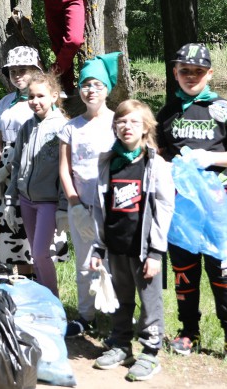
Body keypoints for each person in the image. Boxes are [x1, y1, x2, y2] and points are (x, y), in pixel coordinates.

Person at [156, 43, 227, 369]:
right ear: (175, 73)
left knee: (222, 270)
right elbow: (158, 156)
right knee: (185, 271)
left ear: (209, 73)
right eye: (184, 70)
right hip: (181, 203)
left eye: (198, 71)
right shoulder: (168, 112)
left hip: (215, 201)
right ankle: (189, 332)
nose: (191, 76)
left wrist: (210, 157)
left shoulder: (222, 108)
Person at [88, 100, 173, 381]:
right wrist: (98, 246)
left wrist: (156, 253)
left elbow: (164, 209)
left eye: (134, 122)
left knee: (150, 301)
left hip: (144, 249)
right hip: (115, 246)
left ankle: (150, 351)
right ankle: (121, 343)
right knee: (121, 298)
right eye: (122, 121)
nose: (127, 127)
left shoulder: (154, 164)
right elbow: (101, 208)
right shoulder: (107, 162)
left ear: (146, 128)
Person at [58, 51, 120, 336]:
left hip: (115, 207)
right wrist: (74, 203)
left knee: (115, 262)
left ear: (107, 88)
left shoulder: (119, 122)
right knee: (85, 262)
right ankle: (86, 314)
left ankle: (120, 317)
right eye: (85, 84)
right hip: (81, 205)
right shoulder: (71, 127)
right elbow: (65, 168)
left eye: (97, 84)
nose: (90, 89)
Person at [3, 72, 68, 297]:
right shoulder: (26, 127)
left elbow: (65, 172)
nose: (35, 101)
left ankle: (53, 300)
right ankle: (42, 298)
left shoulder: (63, 127)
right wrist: (10, 202)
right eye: (31, 96)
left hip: (48, 201)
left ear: (54, 96)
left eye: (41, 96)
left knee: (41, 253)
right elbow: (16, 166)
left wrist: (63, 207)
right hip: (25, 199)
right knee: (34, 253)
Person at [0, 46, 43, 267]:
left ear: (34, 70)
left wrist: (8, 169)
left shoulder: (39, 100)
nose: (17, 75)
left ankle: (35, 274)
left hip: (30, 165)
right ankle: (13, 275)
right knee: (6, 223)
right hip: (5, 167)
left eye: (22, 70)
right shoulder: (6, 101)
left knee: (27, 221)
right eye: (13, 71)